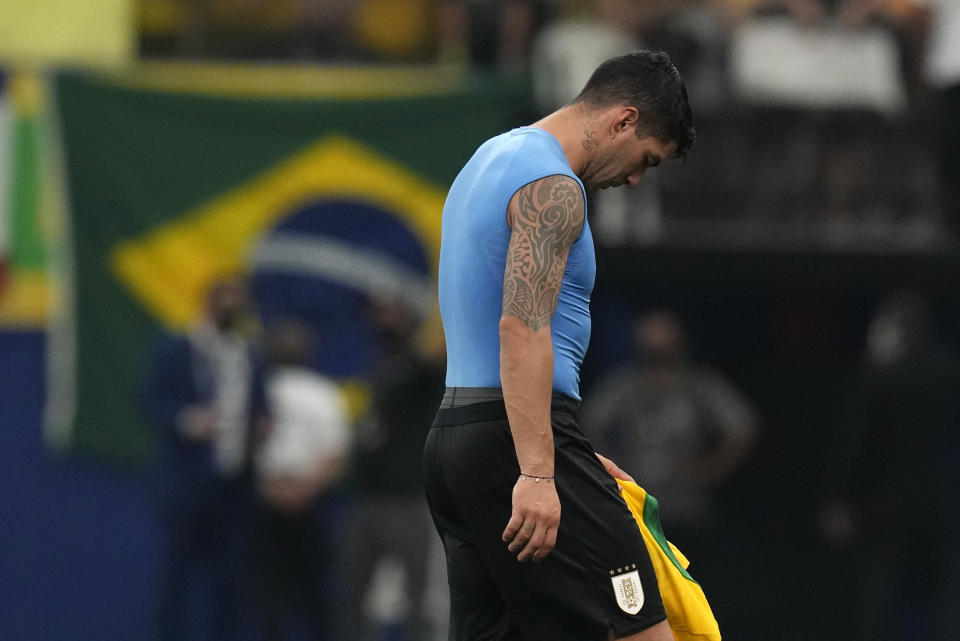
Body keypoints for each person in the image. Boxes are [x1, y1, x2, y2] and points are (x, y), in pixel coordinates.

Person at [423, 50, 696, 641]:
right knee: (647, 631)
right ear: (623, 120)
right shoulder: (555, 188)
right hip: (511, 442)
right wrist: (542, 472)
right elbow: (521, 327)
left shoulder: (490, 156)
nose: (634, 179)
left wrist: (555, 450)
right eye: (646, 159)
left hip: (457, 436)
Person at [145, 274, 267, 641]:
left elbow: (260, 404)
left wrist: (261, 423)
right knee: (177, 579)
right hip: (189, 484)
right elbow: (151, 401)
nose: (232, 311)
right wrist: (186, 420)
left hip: (234, 485)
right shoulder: (178, 349)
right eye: (225, 303)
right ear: (208, 304)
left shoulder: (248, 354)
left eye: (238, 304)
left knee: (230, 582)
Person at [581, 310, 758, 547]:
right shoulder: (624, 384)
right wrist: (611, 466)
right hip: (635, 503)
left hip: (686, 506)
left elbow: (743, 427)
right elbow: (589, 423)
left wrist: (711, 469)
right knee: (637, 576)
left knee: (689, 575)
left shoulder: (699, 384)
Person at [338, 298, 445, 641]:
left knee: (417, 594)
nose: (381, 318)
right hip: (367, 496)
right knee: (353, 590)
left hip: (406, 499)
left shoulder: (420, 368)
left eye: (391, 311)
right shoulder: (379, 363)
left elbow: (436, 357)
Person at [250, 318, 351, 641]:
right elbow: (336, 453)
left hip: (271, 497)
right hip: (304, 499)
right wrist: (304, 490)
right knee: (308, 592)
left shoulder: (259, 390)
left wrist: (275, 489)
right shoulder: (323, 393)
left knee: (273, 593)